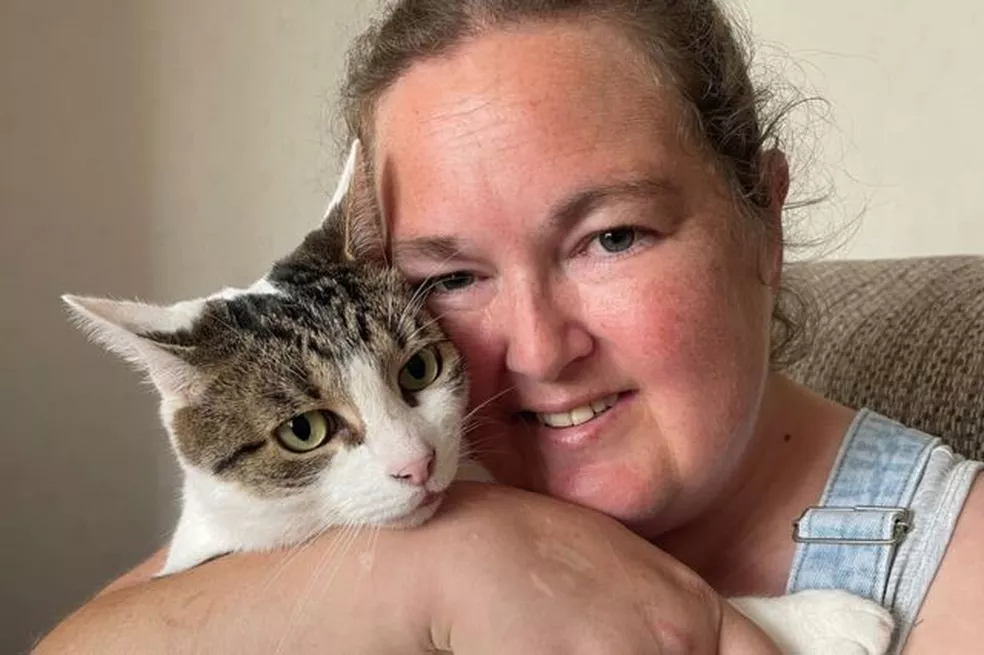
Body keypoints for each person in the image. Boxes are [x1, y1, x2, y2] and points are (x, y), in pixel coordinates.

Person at [37, 0, 984, 653]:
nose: (536, 350)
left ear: (763, 221)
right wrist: (434, 570)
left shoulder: (957, 580)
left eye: (612, 237)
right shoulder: (386, 499)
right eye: (450, 276)